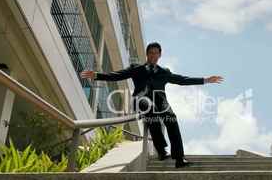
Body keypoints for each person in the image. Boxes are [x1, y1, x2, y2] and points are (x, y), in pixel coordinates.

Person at [80, 42, 223, 168]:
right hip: (141, 100)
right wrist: (97, 75)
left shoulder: (164, 72)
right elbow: (117, 75)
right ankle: (161, 150)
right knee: (150, 109)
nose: (153, 55)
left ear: (160, 55)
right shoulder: (137, 68)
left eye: (156, 53)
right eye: (151, 52)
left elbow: (182, 80)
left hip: (161, 101)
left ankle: (179, 159)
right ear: (147, 54)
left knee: (172, 119)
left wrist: (205, 80)